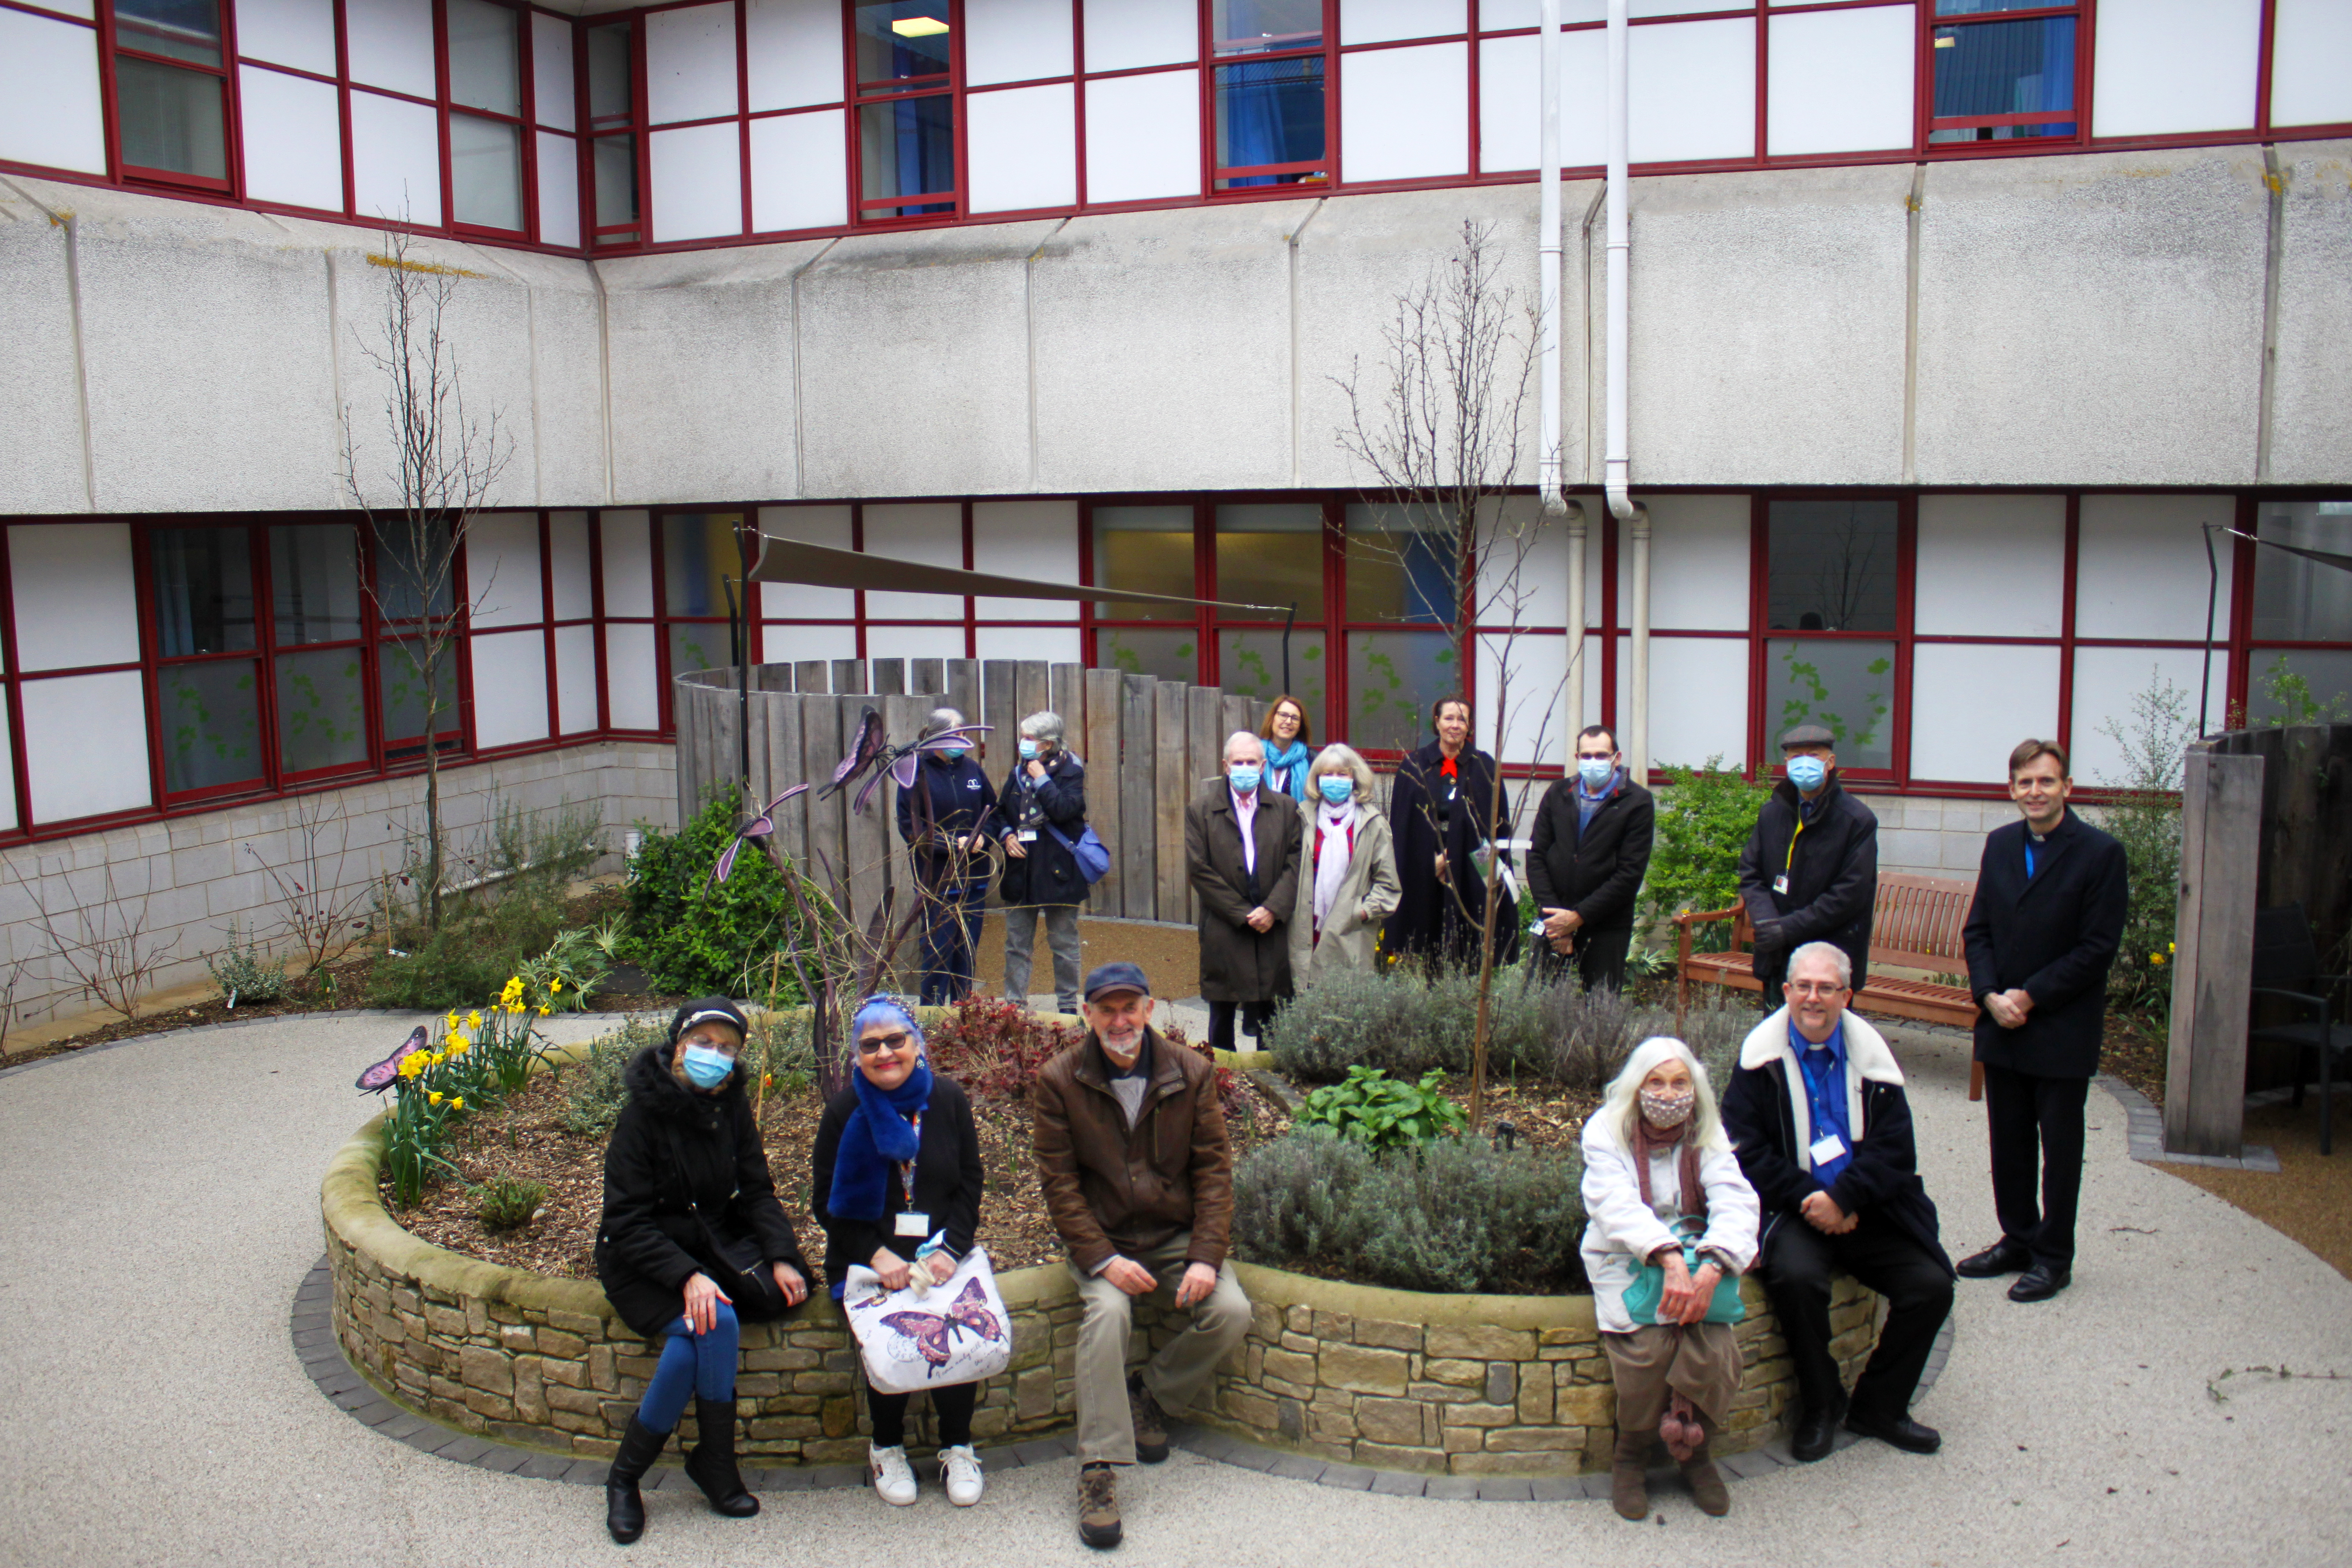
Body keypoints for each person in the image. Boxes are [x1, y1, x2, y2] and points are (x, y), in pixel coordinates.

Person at [1031, 962, 1252, 1550]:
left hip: (1176, 1237)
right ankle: (1097, 1472)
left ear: (1150, 1010)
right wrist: (1102, 1259)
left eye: (1131, 1007)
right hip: (1103, 1241)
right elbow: (1061, 1186)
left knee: (1232, 1311)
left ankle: (1149, 1394)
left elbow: (1213, 1172)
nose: (1121, 1020)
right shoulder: (1058, 1080)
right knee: (1108, 1315)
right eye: (1108, 1009)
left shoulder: (1192, 1072)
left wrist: (1206, 1257)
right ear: (1088, 1015)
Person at [1720, 943, 1954, 1463]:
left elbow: (1897, 1151)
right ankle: (1822, 1403)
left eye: (1826, 988)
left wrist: (1845, 1197)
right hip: (1793, 1208)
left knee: (1931, 1287)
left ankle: (1880, 1406)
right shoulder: (1760, 1060)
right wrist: (1811, 1197)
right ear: (1786, 991)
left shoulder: (1875, 1063)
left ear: (1846, 995)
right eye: (1803, 986)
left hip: (1865, 1206)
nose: (1813, 997)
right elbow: (1744, 1152)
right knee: (1798, 1282)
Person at [593, 998, 812, 1544]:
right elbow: (625, 1219)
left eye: (728, 1048)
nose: (715, 1056)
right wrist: (686, 1276)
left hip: (711, 1247)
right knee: (716, 1322)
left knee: (700, 1336)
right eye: (704, 1043)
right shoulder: (641, 1114)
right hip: (640, 1260)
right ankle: (643, 1477)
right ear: (678, 1044)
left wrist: (782, 1255)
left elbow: (758, 1189)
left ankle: (663, 1471)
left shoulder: (731, 1106)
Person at [1957, 739, 2128, 1304]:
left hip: (2059, 1026)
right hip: (2001, 1022)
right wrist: (1987, 995)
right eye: (2025, 782)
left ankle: (2054, 1256)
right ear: (2012, 790)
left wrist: (2029, 996)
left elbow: (2097, 947)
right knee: (2008, 1143)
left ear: (2067, 788)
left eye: (2046, 782)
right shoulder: (2000, 845)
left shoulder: (2100, 853)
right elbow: (1978, 929)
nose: (2035, 792)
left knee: (2058, 1149)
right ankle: (2018, 1238)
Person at [810, 996, 989, 1507]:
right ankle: (886, 1446)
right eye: (871, 1045)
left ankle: (958, 1445)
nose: (885, 1053)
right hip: (871, 1258)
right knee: (895, 1333)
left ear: (917, 1044)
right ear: (857, 1055)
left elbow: (970, 1183)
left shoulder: (949, 1100)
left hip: (940, 1254)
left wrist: (951, 1249)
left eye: (896, 1040)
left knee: (954, 1324)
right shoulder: (845, 1112)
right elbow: (826, 1204)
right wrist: (876, 1255)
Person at [1581, 1036, 1760, 1520]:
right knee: (1648, 1350)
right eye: (1656, 1082)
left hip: (1699, 1260)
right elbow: (1612, 1203)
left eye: (1679, 1082)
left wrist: (1713, 1266)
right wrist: (1667, 1257)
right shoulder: (1607, 1131)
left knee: (1715, 1348)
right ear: (1637, 1086)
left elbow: (1736, 1199)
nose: (1668, 1092)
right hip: (1626, 1258)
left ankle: (1695, 1455)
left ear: (1694, 1087)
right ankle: (1631, 1458)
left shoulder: (1707, 1133)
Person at [1735, 722, 1878, 1006]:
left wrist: (1786, 929)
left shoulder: (1856, 820)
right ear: (1787, 764)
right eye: (1797, 756)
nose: (1805, 763)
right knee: (1776, 1040)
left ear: (1830, 762)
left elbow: (1849, 895)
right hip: (1777, 954)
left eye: (1813, 755)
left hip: (1829, 958)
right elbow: (1751, 873)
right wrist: (1766, 922)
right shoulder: (1773, 812)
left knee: (1824, 1042)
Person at [1184, 729, 1303, 1054]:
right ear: (1226, 765)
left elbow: (1296, 863)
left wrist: (1273, 909)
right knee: (1221, 1015)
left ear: (1263, 766)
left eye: (1252, 762)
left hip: (1271, 925)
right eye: (1239, 762)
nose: (1246, 768)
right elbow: (1199, 870)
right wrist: (1241, 913)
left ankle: (1274, 1080)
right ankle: (1222, 1086)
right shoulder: (1201, 810)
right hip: (1224, 925)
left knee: (1272, 1014)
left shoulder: (1287, 808)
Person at [1382, 694, 1519, 970]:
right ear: (1437, 722)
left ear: (1469, 726)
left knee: (1469, 944)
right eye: (1449, 718)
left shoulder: (1485, 766)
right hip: (1427, 868)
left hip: (1471, 866)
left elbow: (1496, 827)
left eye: (1462, 719)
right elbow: (1403, 827)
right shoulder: (1414, 765)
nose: (1455, 725)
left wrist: (1461, 859)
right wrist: (1427, 864)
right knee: (1426, 944)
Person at [1528, 724, 1656, 993]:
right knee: (1540, 1008)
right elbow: (1537, 854)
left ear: (1616, 758)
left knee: (1599, 1011)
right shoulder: (1558, 793)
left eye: (1601, 755)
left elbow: (1629, 874)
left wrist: (1578, 918)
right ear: (1577, 758)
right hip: (1554, 920)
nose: (1593, 762)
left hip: (1605, 926)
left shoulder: (1637, 802)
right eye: (1586, 756)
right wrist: (1557, 921)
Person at [896, 706, 999, 1006]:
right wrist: (952, 844)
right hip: (938, 882)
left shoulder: (973, 770)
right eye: (957, 734)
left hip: (974, 879)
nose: (963, 740)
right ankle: (931, 1015)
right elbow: (911, 828)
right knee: (938, 952)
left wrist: (983, 836)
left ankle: (963, 1014)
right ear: (939, 736)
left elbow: (993, 812)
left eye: (964, 733)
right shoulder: (916, 773)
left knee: (966, 952)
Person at [997, 708, 1088, 1016]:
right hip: (1021, 870)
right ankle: (1014, 1006)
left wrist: (1043, 781)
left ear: (1047, 744)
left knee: (1063, 943)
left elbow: (1066, 810)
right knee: (1016, 943)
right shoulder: (1018, 771)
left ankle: (1067, 1007)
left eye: (1029, 738)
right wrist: (1007, 835)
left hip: (1058, 870)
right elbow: (999, 811)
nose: (1023, 742)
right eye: (1023, 736)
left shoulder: (1071, 770)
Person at [1288, 743, 1402, 988]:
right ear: (1317, 779)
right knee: (1304, 1007)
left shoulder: (1373, 824)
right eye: (1328, 774)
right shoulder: (1303, 817)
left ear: (1355, 778)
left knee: (1343, 1010)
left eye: (1342, 774)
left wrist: (1360, 912)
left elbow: (1388, 884)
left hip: (1350, 933)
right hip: (1307, 930)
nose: (1335, 780)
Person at [1257, 694, 1315, 804]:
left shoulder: (1312, 759)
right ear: (1272, 719)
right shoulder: (1255, 754)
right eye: (1283, 715)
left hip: (1298, 821)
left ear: (1300, 727)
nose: (1288, 722)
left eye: (1295, 718)